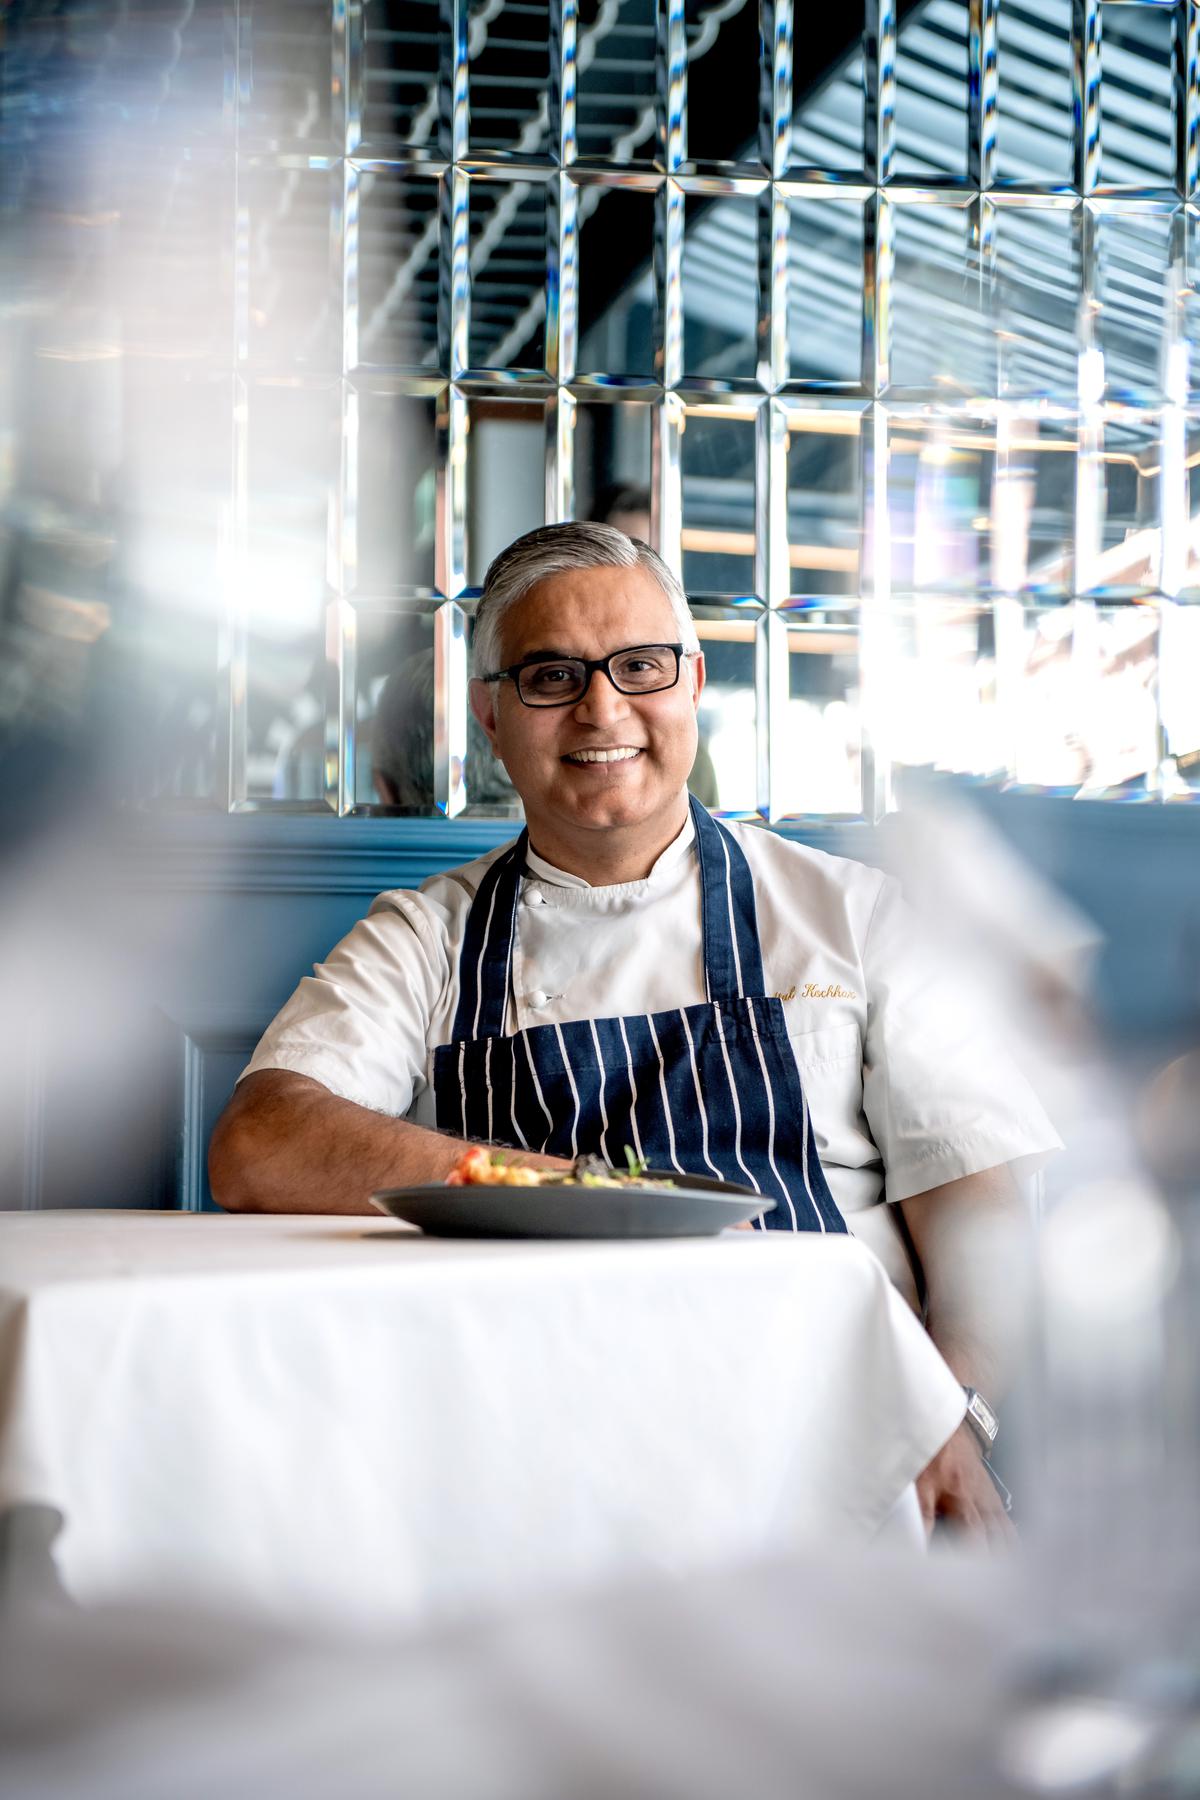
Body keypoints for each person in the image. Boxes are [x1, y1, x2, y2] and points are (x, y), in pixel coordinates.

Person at [210, 521, 1060, 1537]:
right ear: (491, 714)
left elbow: (983, 1210)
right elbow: (259, 1142)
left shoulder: (854, 914)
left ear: (693, 681)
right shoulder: (427, 939)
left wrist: (951, 1415)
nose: (602, 708)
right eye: (551, 675)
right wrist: (564, 1189)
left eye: (640, 666)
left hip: (843, 1455)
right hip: (537, 1468)